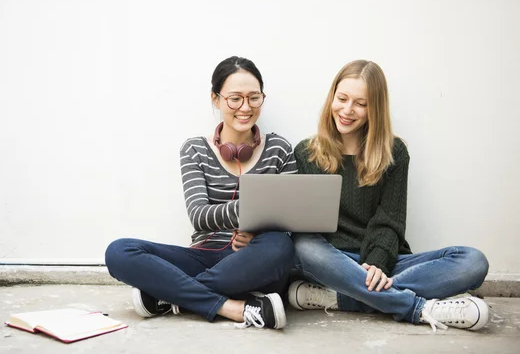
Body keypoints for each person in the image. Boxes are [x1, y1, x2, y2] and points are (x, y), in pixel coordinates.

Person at [288, 60, 490, 332]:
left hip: (383, 263)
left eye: (361, 103)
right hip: (330, 262)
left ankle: (344, 297)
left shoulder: (394, 152)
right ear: (332, 97)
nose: (347, 110)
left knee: (473, 261)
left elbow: (390, 219)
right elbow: (303, 225)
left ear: (375, 109)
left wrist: (376, 263)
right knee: (302, 246)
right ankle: (416, 307)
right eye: (342, 98)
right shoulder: (305, 152)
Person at [105, 56, 298, 329]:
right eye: (235, 99)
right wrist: (254, 210)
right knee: (119, 251)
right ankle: (236, 307)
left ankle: (169, 296)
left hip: (254, 258)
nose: (246, 107)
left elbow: (293, 219)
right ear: (216, 99)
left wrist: (257, 232)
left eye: (254, 98)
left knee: (280, 245)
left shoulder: (280, 148)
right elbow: (199, 215)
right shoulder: (194, 149)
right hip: (203, 255)